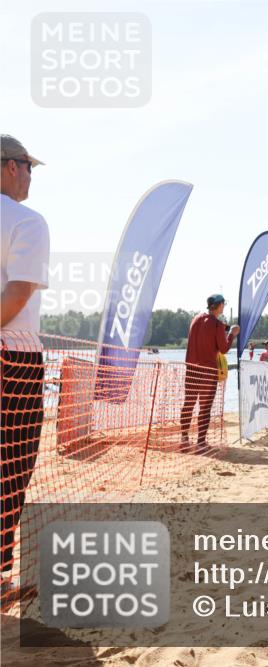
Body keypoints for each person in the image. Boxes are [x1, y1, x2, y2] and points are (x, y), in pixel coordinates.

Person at [1, 135, 48, 602]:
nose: (32, 175)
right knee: (13, 467)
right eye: (29, 167)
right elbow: (18, 294)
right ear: (11, 167)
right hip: (12, 357)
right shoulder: (27, 221)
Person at [180, 294, 238, 454]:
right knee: (205, 408)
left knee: (188, 404)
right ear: (219, 305)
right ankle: (200, 443)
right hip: (208, 371)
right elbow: (224, 348)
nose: (224, 307)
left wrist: (224, 328)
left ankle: (184, 438)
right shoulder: (217, 324)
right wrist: (232, 334)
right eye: (223, 304)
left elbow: (206, 330)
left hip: (191, 369)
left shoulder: (195, 319)